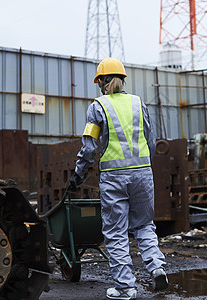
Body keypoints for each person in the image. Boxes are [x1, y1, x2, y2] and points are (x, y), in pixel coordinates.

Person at [69, 57, 168, 300]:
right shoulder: (138, 103)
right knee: (144, 224)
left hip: (114, 177)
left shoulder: (97, 107)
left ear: (101, 81)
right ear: (123, 80)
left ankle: (125, 288)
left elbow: (90, 148)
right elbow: (150, 139)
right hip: (143, 172)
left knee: (115, 232)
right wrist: (144, 166)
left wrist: (78, 175)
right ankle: (156, 267)